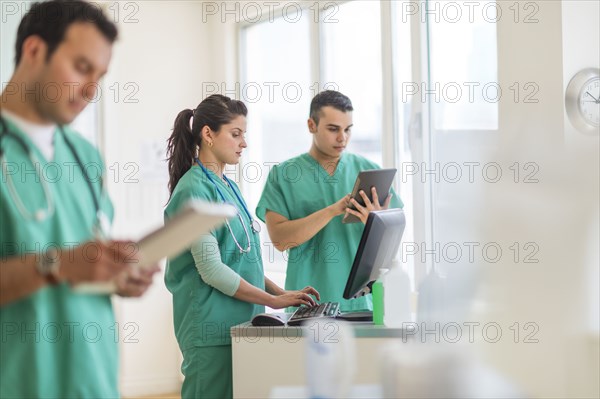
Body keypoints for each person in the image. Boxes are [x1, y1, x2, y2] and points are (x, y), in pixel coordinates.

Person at [0, 2, 159, 398]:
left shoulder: (85, 158)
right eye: (82, 68)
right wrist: (56, 265)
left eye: (100, 76)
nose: (91, 91)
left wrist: (118, 275)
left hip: (92, 381)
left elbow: (84, 260)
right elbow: (64, 264)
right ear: (34, 50)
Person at [164, 94, 319, 399]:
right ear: (208, 134)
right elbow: (212, 271)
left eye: (244, 135)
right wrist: (272, 302)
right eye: (235, 134)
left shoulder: (228, 186)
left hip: (240, 323)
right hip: (209, 328)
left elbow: (242, 260)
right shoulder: (194, 189)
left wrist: (279, 294)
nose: (243, 143)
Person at [256, 90, 403, 312]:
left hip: (361, 304)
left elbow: (390, 249)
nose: (342, 137)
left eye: (347, 129)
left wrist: (375, 224)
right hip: (307, 304)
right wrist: (332, 210)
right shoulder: (283, 175)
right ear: (311, 125)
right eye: (333, 129)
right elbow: (280, 241)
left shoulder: (368, 171)